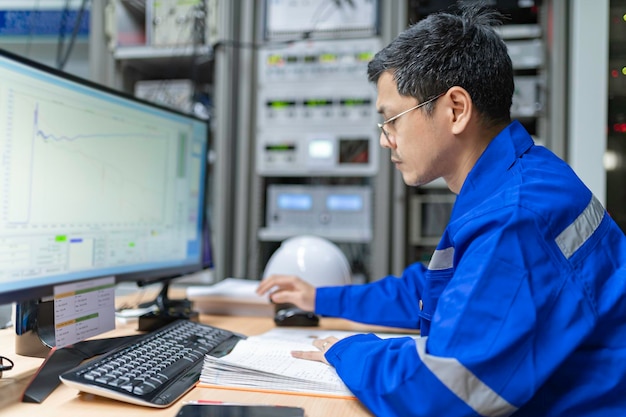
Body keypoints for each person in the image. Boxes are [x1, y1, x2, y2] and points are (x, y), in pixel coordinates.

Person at [257, 3, 626, 417]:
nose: (384, 140)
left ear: (455, 109)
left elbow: (439, 393)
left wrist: (347, 350)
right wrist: (321, 298)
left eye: (392, 119)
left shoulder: (516, 216)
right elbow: (438, 294)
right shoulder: (517, 179)